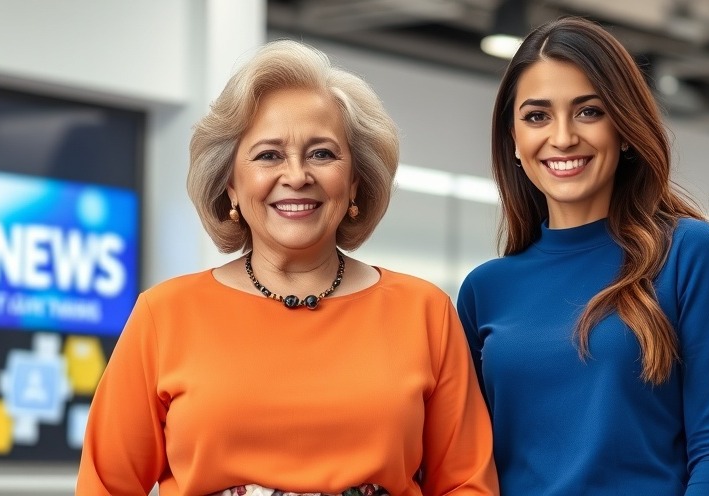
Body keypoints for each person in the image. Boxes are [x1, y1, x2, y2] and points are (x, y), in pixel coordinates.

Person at [76, 39, 498, 496]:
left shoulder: (425, 313)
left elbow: (466, 484)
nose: (297, 175)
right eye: (269, 155)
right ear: (231, 185)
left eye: (322, 153)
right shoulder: (164, 315)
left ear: (355, 182)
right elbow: (106, 486)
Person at [457, 17, 709, 496]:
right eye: (537, 116)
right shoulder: (485, 289)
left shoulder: (689, 253)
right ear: (513, 140)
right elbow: (469, 465)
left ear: (624, 127)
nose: (561, 138)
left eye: (588, 112)